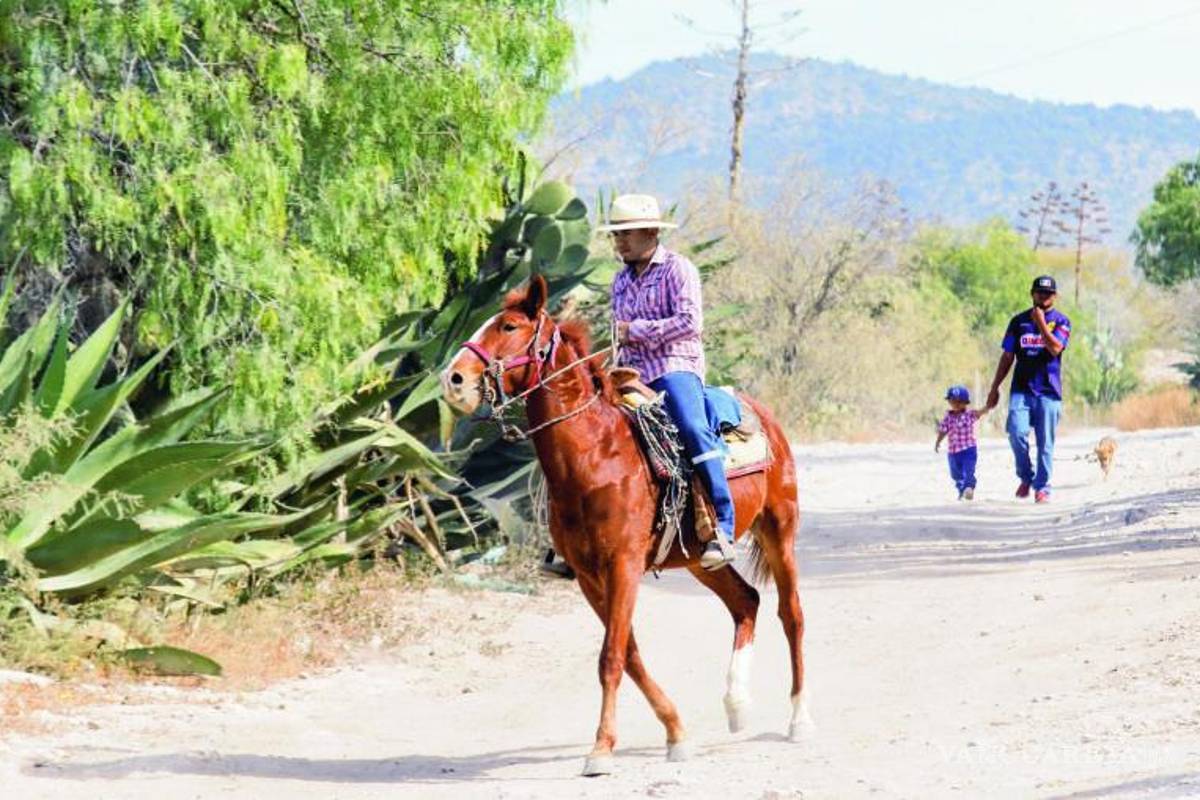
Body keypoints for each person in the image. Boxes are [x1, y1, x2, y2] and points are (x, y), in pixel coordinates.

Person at [601, 193, 736, 570]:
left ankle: (723, 525)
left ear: (650, 232)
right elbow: (618, 335)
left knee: (692, 427)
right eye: (616, 235)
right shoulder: (620, 281)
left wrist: (635, 330)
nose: (620, 242)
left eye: (626, 233)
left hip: (674, 366)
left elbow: (690, 323)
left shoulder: (679, 269)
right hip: (630, 372)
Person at [985, 275, 1072, 503]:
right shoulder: (1018, 322)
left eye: (1048, 293)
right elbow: (1007, 356)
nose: (1043, 296)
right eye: (1039, 292)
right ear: (1032, 293)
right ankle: (1026, 476)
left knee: (1045, 443)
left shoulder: (1062, 322)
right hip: (1021, 390)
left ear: (1055, 296)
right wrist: (994, 388)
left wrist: (1041, 322)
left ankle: (1042, 487)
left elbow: (1055, 348)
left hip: (1049, 391)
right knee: (1016, 433)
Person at [935, 385, 988, 500]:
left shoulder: (969, 415)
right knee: (955, 474)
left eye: (960, 402)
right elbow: (943, 430)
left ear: (966, 403)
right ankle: (961, 491)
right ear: (949, 401)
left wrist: (988, 406)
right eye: (953, 401)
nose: (957, 404)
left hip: (969, 449)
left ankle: (969, 488)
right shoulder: (948, 417)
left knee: (968, 470)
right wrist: (938, 442)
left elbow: (981, 412)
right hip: (953, 452)